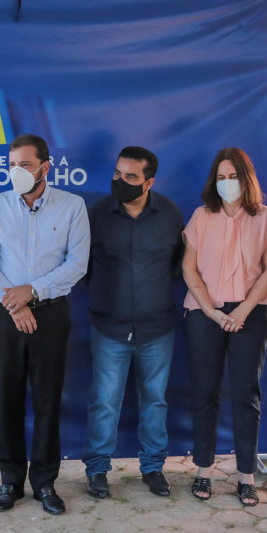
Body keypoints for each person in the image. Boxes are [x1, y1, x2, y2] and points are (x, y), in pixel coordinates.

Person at [0, 134, 89, 515]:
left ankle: (44, 483)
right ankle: (10, 482)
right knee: (8, 399)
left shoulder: (71, 206)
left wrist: (33, 292)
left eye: (24, 164)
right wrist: (15, 302)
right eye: (11, 165)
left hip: (51, 314)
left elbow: (77, 263)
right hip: (6, 315)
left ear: (45, 167)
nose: (16, 171)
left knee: (47, 401)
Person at [82, 146, 184, 500]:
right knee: (104, 401)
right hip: (109, 327)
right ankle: (97, 469)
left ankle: (153, 467)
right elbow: (83, 267)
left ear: (148, 182)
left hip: (157, 327)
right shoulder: (97, 214)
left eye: (129, 176)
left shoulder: (169, 213)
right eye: (117, 174)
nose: (120, 181)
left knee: (155, 401)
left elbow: (177, 264)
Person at [182, 147, 267, 506]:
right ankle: (204, 470)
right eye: (221, 177)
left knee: (246, 395)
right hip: (204, 314)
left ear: (246, 178)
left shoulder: (266, 217)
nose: (227, 183)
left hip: (249, 315)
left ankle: (245, 476)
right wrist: (210, 311)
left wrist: (243, 310)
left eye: (234, 177)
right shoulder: (201, 216)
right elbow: (189, 267)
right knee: (205, 393)